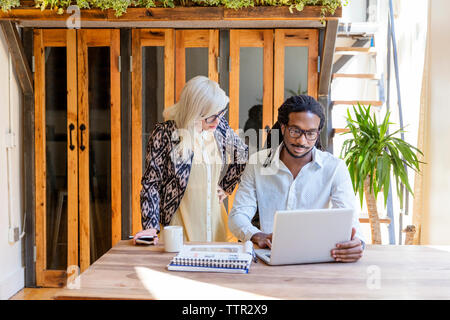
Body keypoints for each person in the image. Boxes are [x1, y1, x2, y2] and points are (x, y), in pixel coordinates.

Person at [228, 95, 365, 263]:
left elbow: (351, 221)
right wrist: (256, 235)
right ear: (284, 128)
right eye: (295, 131)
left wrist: (358, 243)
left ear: (317, 133)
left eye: (310, 134)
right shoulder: (257, 164)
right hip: (271, 256)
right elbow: (237, 216)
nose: (302, 140)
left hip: (319, 258)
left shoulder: (335, 168)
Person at [134, 76, 248, 244]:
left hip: (216, 228)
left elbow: (243, 154)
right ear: (194, 111)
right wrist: (150, 225)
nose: (217, 120)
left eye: (220, 113)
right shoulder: (165, 133)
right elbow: (151, 183)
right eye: (210, 116)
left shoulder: (219, 127)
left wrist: (226, 187)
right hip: (180, 230)